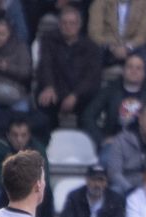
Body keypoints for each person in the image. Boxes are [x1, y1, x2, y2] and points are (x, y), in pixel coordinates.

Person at [34, 6, 103, 135]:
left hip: (81, 93)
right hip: (56, 90)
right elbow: (45, 65)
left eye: (72, 23)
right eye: (64, 23)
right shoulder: (49, 40)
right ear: (59, 25)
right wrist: (49, 86)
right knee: (44, 102)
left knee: (89, 112)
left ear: (79, 25)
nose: (68, 26)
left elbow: (92, 76)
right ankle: (47, 144)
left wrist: (75, 95)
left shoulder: (91, 46)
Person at [81, 53, 146, 157]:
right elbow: (87, 116)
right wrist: (102, 138)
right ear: (123, 71)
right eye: (130, 67)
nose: (134, 71)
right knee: (105, 161)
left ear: (144, 73)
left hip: (144, 144)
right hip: (115, 143)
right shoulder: (110, 90)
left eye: (138, 68)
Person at [0, 117, 55, 217]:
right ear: (8, 135)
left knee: (46, 191)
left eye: (23, 135)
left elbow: (44, 176)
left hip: (30, 188)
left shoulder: (37, 149)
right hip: (5, 189)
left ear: (29, 136)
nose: (19, 139)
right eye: (15, 135)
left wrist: (26, 185)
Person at [59, 164, 127, 217]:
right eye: (94, 180)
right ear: (87, 180)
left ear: (106, 182)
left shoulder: (115, 199)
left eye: (101, 180)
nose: (97, 184)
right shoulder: (74, 197)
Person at [88, 0, 146, 73]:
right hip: (107, 46)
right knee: (93, 51)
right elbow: (94, 33)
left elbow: (142, 33)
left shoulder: (142, 2)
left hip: (131, 46)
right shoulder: (100, 2)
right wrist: (113, 47)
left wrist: (128, 47)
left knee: (145, 54)